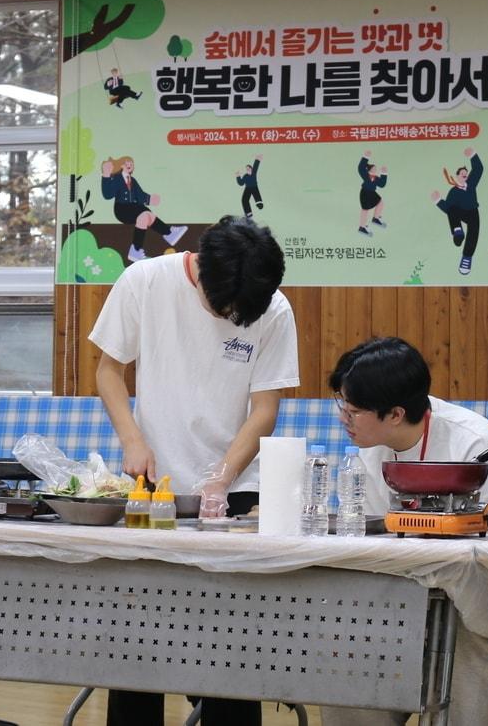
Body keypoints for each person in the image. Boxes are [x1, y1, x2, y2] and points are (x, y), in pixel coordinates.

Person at [89, 215, 300, 726]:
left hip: (235, 492)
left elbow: (264, 410)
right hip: (152, 490)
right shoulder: (145, 280)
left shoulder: (272, 306)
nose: (231, 316)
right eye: (223, 307)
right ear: (201, 270)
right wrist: (133, 440)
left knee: (231, 650)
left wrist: (222, 477)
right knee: (137, 647)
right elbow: (108, 371)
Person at [321, 337, 488, 726]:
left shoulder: (482, 449)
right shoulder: (371, 448)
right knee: (351, 643)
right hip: (419, 595)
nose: (343, 417)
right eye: (342, 404)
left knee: (461, 640)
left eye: (353, 410)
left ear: (395, 414)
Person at [100, 155, 188, 262]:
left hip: (134, 208)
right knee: (144, 212)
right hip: (121, 209)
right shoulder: (117, 179)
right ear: (121, 166)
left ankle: (136, 250)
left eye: (131, 163)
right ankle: (169, 233)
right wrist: (106, 175)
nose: (130, 165)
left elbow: (140, 195)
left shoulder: (133, 180)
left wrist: (150, 199)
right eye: (126, 163)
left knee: (146, 216)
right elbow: (107, 194)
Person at [431, 147, 482, 275]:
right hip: (459, 212)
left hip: (472, 211)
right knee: (452, 209)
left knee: (474, 230)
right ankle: (457, 231)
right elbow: (447, 207)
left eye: (466, 172)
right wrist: (438, 201)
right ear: (456, 177)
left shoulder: (471, 183)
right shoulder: (453, 192)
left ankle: (466, 257)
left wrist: (473, 156)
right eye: (462, 173)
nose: (465, 174)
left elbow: (478, 169)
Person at [356, 151, 387, 236]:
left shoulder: (376, 178)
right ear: (369, 170)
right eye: (373, 169)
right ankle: (362, 227)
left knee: (380, 203)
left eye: (376, 169)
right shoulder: (365, 175)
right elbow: (361, 168)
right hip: (365, 193)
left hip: (372, 193)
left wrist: (384, 173)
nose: (375, 170)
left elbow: (382, 184)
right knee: (365, 210)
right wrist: (365, 157)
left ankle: (376, 218)